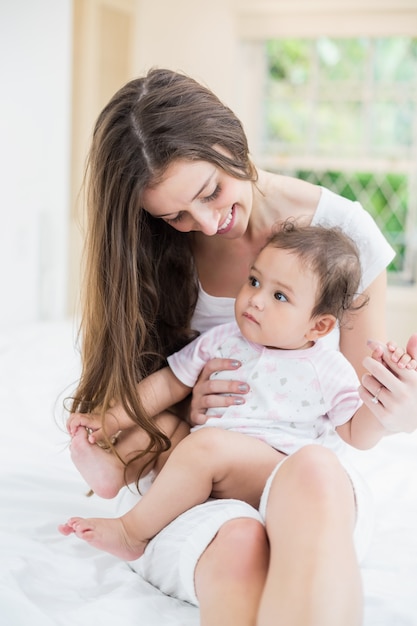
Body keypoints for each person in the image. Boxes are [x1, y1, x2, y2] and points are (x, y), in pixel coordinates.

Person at [67, 67, 417, 626]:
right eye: (175, 215)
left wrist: (400, 407)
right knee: (240, 545)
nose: (206, 223)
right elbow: (148, 402)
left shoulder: (344, 238)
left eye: (211, 191)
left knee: (315, 473)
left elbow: (356, 418)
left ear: (230, 140)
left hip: (301, 473)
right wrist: (187, 406)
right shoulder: (154, 249)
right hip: (191, 482)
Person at [60, 223, 415, 562]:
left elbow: (358, 434)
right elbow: (168, 383)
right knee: (164, 426)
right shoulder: (224, 338)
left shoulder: (326, 367)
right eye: (254, 280)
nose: (256, 299)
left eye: (279, 295)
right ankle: (114, 470)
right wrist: (106, 420)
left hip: (272, 474)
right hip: (206, 461)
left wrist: (381, 396)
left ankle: (131, 533)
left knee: (207, 445)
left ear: (318, 325)